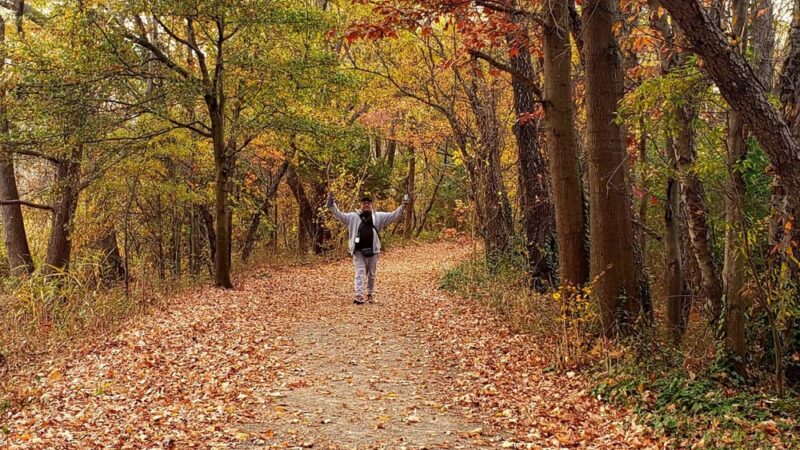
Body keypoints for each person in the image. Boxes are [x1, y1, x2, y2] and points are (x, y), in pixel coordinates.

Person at [327, 192, 408, 304]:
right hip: (358, 251)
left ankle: (369, 294)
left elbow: (393, 215)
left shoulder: (378, 217)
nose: (366, 204)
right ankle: (359, 295)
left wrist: (403, 206)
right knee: (360, 272)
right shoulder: (353, 217)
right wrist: (331, 203)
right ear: (360, 205)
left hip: (373, 250)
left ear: (371, 205)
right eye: (364, 203)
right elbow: (339, 214)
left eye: (368, 203)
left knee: (371, 274)